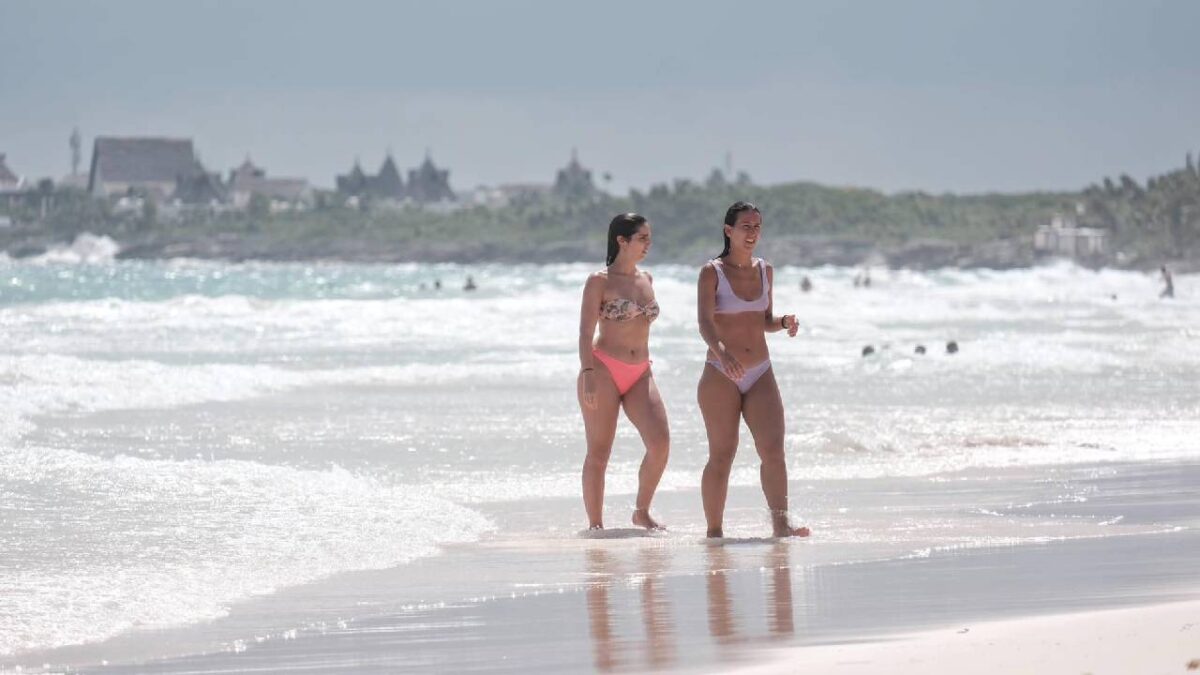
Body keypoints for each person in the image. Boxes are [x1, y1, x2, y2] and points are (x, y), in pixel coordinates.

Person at [697, 201, 810, 539]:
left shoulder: (765, 270)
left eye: (757, 226)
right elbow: (704, 322)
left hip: (760, 371)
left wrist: (784, 322)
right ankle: (714, 531)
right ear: (728, 230)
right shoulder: (711, 272)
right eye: (745, 226)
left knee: (773, 450)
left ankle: (780, 523)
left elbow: (763, 321)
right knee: (722, 455)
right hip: (720, 373)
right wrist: (721, 352)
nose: (752, 233)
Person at [577, 213, 670, 531]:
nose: (648, 244)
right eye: (642, 238)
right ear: (622, 240)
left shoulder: (647, 279)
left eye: (649, 238)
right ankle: (596, 525)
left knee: (660, 444)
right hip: (603, 369)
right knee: (599, 452)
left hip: (641, 371)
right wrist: (587, 370)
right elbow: (584, 332)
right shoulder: (599, 281)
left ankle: (641, 511)